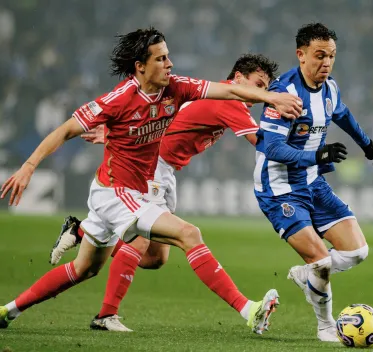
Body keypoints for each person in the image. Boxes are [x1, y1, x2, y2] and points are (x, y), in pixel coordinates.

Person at [0, 27, 303, 334]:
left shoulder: (177, 87)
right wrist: (28, 167)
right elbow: (65, 130)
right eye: (161, 58)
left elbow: (229, 91)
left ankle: (7, 311)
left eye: (168, 56)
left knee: (91, 267)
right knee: (189, 234)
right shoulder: (117, 100)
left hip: (137, 187)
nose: (169, 64)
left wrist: (270, 97)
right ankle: (248, 310)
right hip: (116, 192)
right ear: (140, 66)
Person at [48, 54, 280, 331]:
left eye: (266, 88)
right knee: (142, 241)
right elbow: (265, 145)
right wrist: (309, 152)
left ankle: (83, 232)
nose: (261, 93)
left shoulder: (218, 97)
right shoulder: (229, 101)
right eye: (258, 84)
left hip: (166, 171)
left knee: (155, 259)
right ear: (239, 78)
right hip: (152, 167)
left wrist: (115, 134)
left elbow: (164, 117)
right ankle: (106, 314)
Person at [253, 23, 373, 342]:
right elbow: (269, 146)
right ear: (300, 55)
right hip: (279, 188)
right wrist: (316, 156)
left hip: (313, 183)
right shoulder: (284, 93)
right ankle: (326, 326)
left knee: (358, 252)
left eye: (331, 56)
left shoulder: (330, 89)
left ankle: (307, 275)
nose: (326, 62)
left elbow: (342, 115)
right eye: (319, 55)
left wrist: (366, 144)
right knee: (322, 261)